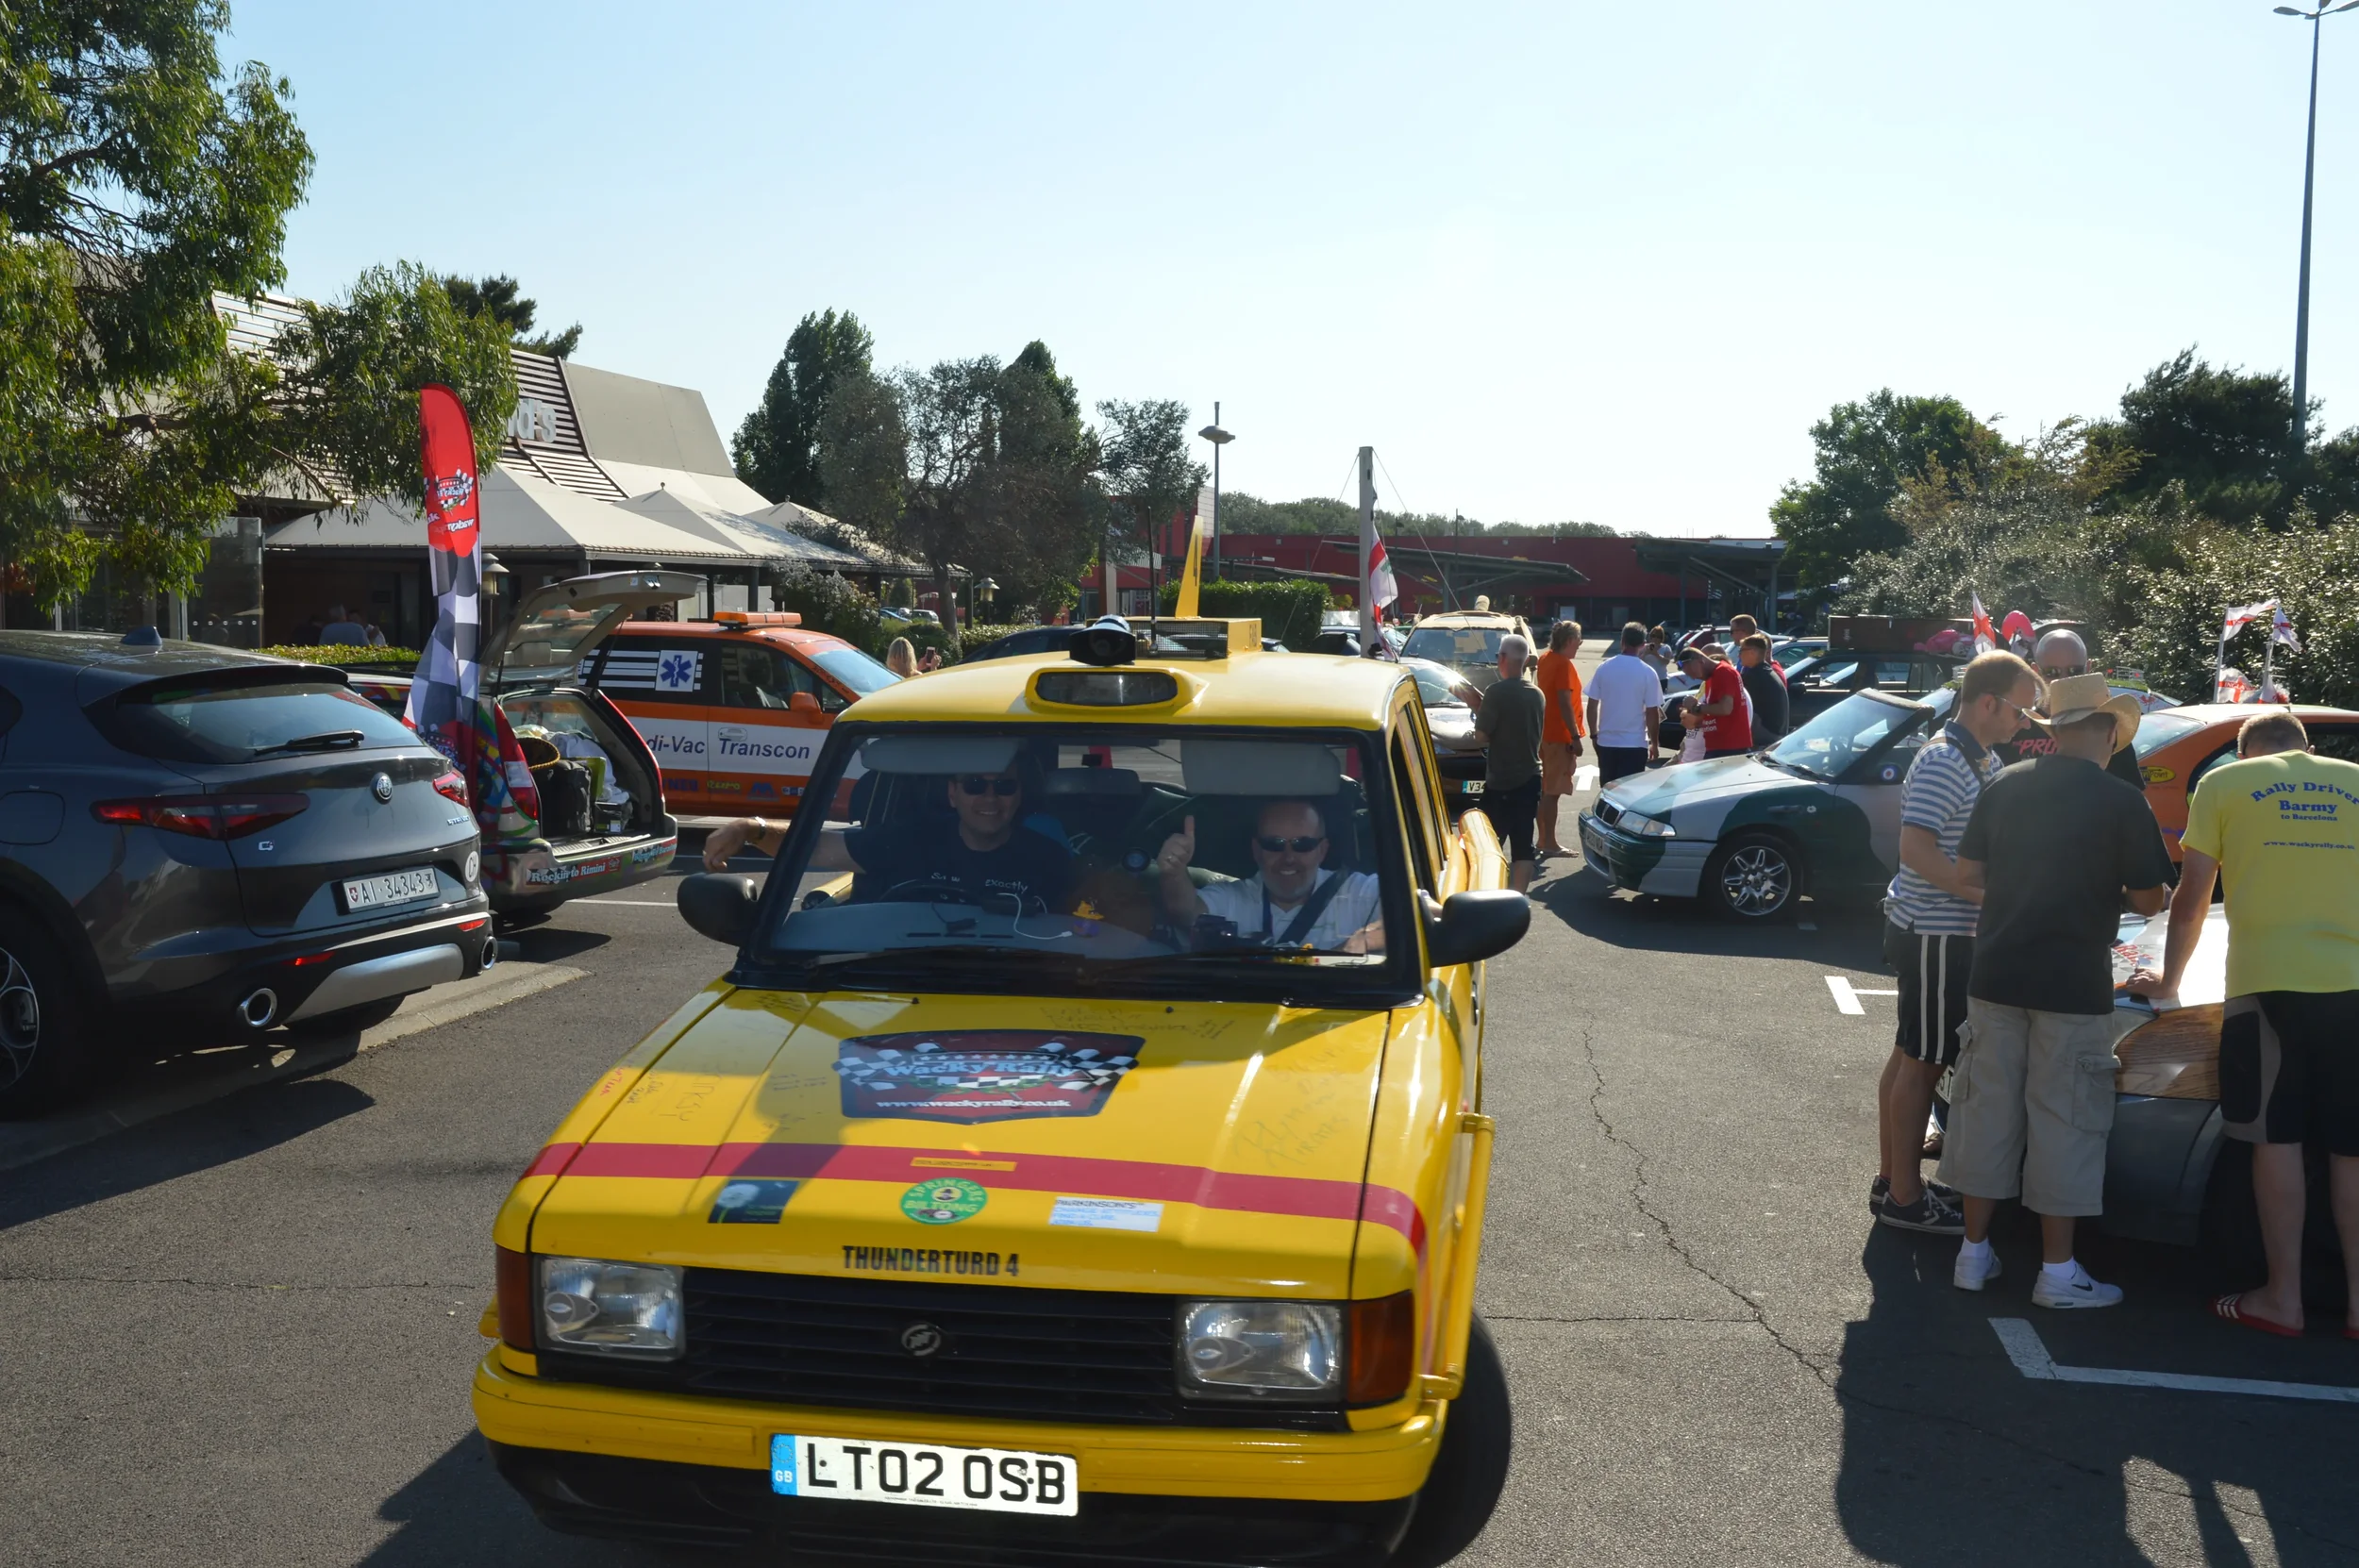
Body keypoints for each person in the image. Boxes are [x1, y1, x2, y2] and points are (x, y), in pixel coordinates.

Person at [1941, 674, 2172, 1307]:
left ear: (2055, 731)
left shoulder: (2005, 783)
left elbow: (1968, 871)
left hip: (1995, 971)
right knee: (2065, 1121)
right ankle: (2058, 1271)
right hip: (2073, 981)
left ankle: (1973, 1253)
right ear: (2102, 732)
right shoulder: (2122, 801)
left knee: (1986, 1113)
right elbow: (2150, 898)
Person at [2129, 711, 2359, 1336]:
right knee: (2350, 1147)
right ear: (2307, 748)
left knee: (2275, 1138)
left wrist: (2170, 982)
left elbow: (2192, 895)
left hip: (2268, 984)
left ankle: (2283, 1299)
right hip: (2355, 986)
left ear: (2244, 752)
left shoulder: (2226, 786)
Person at [1872, 652, 2040, 1234]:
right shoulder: (1948, 760)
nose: (2027, 723)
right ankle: (1905, 1197)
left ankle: (1896, 1179)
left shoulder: (1977, 755)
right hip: (1937, 931)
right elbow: (1916, 850)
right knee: (1924, 1062)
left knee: (1910, 1054)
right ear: (1988, 702)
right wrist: (1989, 898)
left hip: (1933, 927)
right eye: (2022, 710)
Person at [700, 763, 1075, 909]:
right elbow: (816, 848)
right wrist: (749, 828)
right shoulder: (911, 840)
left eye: (1005, 786)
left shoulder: (1049, 859)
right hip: (896, 981)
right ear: (952, 794)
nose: (990, 798)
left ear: (1019, 795)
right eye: (975, 784)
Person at [1155, 800, 1384, 953]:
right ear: (1257, 850)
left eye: (1302, 844)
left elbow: (1408, 912)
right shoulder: (1237, 896)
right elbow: (1185, 912)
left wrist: (1362, 941)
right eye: (1274, 844)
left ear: (1322, 850)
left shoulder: (1359, 892)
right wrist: (1173, 872)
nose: (1288, 857)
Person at [1442, 633, 1544, 892]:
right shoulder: (1537, 694)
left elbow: (1482, 736)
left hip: (1501, 781)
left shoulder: (1495, 692)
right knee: (1523, 844)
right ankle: (1518, 898)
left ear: (1502, 659)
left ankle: (1487, 893)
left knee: (1487, 842)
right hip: (1531, 778)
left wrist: (1478, 708)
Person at [1993, 627, 2146, 793]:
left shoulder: (2105, 727)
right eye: (2052, 672)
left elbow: (2132, 801)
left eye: (2075, 671)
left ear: (2088, 668)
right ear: (2036, 672)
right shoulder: (2016, 727)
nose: (2063, 680)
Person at [1586, 622, 1665, 786]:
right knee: (1629, 795)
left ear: (1622, 641)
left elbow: (1592, 704)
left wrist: (1594, 734)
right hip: (1635, 744)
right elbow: (1652, 712)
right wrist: (1654, 743)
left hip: (1607, 742)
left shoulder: (1604, 667)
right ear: (1643, 645)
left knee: (1607, 793)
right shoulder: (1648, 673)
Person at [1535, 621, 1586, 856]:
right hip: (1559, 736)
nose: (1580, 644)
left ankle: (1543, 840)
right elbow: (1565, 702)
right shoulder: (1563, 664)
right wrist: (1575, 737)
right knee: (1552, 793)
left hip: (1545, 733)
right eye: (1579, 640)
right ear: (1569, 640)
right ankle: (1549, 843)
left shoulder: (1545, 658)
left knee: (1546, 790)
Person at [1676, 643, 1751, 759]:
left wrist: (1697, 707)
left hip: (1729, 747)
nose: (1694, 678)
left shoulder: (1724, 671)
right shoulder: (1712, 677)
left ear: (1700, 660)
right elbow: (1713, 712)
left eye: (1693, 672)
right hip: (1717, 746)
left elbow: (1725, 708)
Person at [1736, 634, 1789, 743]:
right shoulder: (1766, 671)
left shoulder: (1755, 676)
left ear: (1752, 652)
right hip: (1777, 733)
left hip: (1767, 736)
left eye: (1741, 651)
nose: (1738, 656)